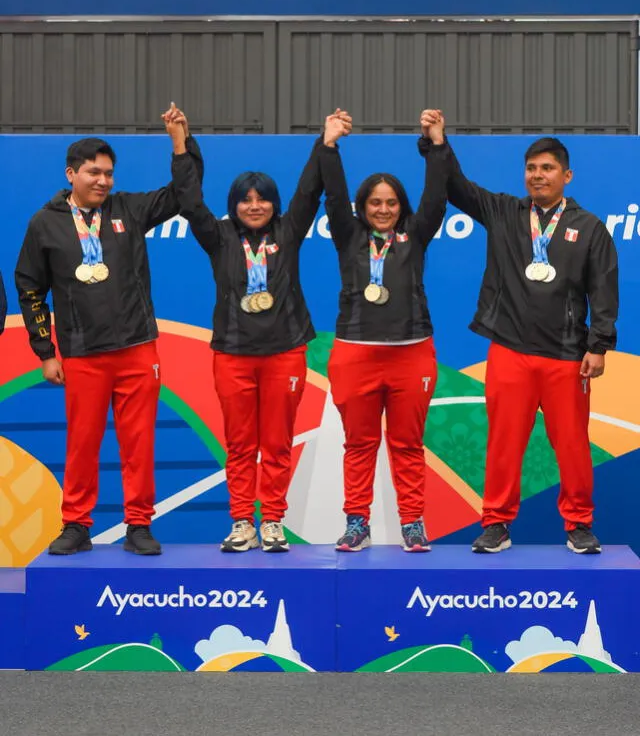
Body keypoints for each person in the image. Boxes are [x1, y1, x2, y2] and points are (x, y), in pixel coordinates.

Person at [422, 111, 618, 554]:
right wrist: (437, 142)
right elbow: (457, 187)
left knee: (571, 447)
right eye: (531, 168)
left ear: (566, 175)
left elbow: (603, 289)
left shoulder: (588, 228)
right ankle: (496, 524)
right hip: (509, 349)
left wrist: (599, 345)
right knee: (504, 444)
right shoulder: (506, 212)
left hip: (567, 355)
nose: (538, 175)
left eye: (547, 168)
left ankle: (578, 524)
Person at [15, 105, 202, 556]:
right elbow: (30, 288)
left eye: (109, 174)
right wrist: (45, 351)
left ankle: (138, 523)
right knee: (82, 443)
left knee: (139, 442)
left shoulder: (129, 210)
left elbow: (183, 194)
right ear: (71, 173)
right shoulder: (45, 223)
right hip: (82, 352)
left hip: (138, 348)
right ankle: (76, 524)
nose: (103, 181)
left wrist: (180, 143)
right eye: (94, 173)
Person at [164, 107, 335, 553]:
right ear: (234, 205)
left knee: (276, 443)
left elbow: (310, 189)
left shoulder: (291, 228)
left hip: (285, 354)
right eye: (245, 199)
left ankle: (273, 521)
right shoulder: (218, 237)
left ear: (274, 203)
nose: (254, 205)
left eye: (262, 199)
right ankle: (243, 521)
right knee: (240, 444)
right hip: (234, 354)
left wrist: (326, 141)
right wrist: (181, 146)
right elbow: (188, 200)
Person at [318, 110, 449, 553]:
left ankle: (412, 522)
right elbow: (333, 196)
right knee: (359, 443)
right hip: (355, 353)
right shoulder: (347, 235)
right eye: (375, 202)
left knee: (408, 443)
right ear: (363, 206)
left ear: (402, 207)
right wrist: (330, 145)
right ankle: (357, 522)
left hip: (412, 353)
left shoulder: (416, 233)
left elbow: (436, 196)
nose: (383, 209)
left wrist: (434, 143)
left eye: (391, 202)